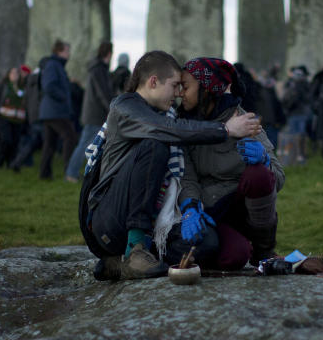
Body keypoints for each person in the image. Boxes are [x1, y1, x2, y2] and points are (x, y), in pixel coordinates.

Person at [82, 50, 262, 281]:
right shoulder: (125, 107)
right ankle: (136, 250)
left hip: (152, 220)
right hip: (110, 220)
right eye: (175, 85)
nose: (178, 93)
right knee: (155, 144)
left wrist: (189, 209)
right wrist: (226, 130)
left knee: (207, 242)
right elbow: (163, 129)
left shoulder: (166, 116)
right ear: (153, 82)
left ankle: (117, 264)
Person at [168, 57, 285, 271]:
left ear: (207, 88)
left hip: (246, 210)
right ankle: (238, 245)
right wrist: (190, 207)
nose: (179, 93)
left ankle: (263, 250)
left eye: (185, 87)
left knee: (259, 175)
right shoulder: (185, 125)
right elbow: (188, 177)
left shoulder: (243, 121)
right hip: (212, 212)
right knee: (233, 258)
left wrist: (265, 161)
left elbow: (277, 178)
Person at [66, 41, 115, 182]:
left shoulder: (98, 68)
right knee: (84, 145)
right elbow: (102, 93)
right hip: (95, 114)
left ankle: (77, 173)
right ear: (109, 53)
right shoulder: (98, 70)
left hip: (93, 112)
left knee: (90, 145)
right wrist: (112, 108)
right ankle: (71, 173)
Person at [38, 39, 78, 181]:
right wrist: (63, 97)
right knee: (70, 137)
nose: (69, 54)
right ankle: (69, 171)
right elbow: (49, 86)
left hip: (51, 111)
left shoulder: (56, 65)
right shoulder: (53, 65)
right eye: (67, 51)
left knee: (50, 144)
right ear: (59, 51)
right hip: (55, 111)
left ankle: (44, 174)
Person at [0, 67, 26, 168]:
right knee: (6, 140)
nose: (14, 75)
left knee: (15, 142)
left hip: (18, 119)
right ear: (8, 75)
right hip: (4, 118)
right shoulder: (3, 86)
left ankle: (11, 162)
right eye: (12, 73)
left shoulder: (22, 88)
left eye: (16, 73)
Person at [280, 65, 310, 165]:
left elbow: (306, 99)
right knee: (297, 136)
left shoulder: (300, 85)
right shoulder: (293, 85)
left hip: (297, 113)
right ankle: (297, 158)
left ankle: (299, 158)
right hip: (296, 113)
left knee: (298, 136)